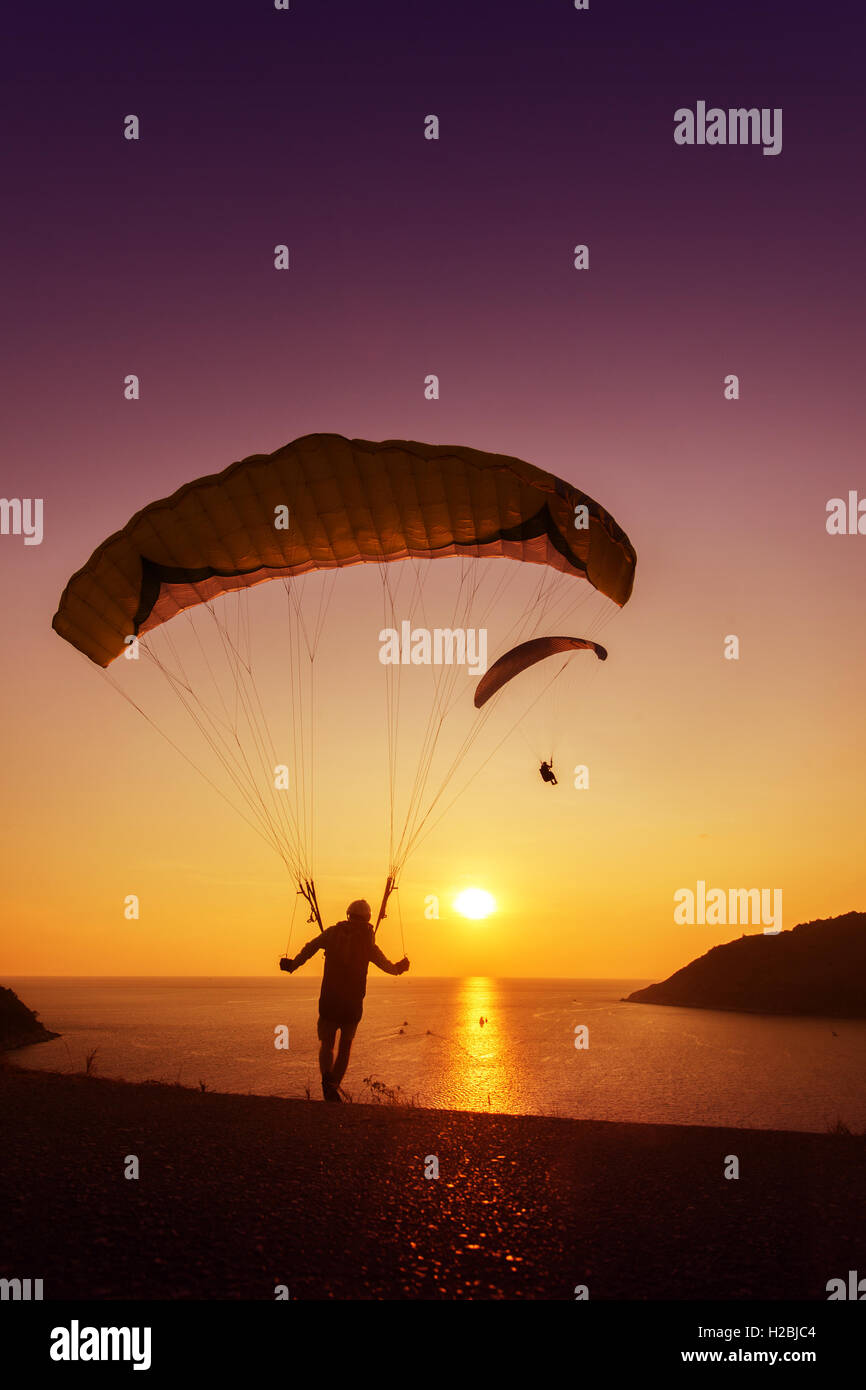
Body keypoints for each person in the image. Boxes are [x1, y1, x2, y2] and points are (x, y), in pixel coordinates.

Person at [280, 899, 409, 1101]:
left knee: (327, 1044)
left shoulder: (332, 933)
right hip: (352, 1004)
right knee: (345, 1046)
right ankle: (333, 1086)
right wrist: (401, 967)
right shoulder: (368, 942)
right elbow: (389, 968)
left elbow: (310, 948)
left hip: (330, 1000)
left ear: (348, 915)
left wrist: (292, 965)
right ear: (368, 917)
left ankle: (326, 1081)